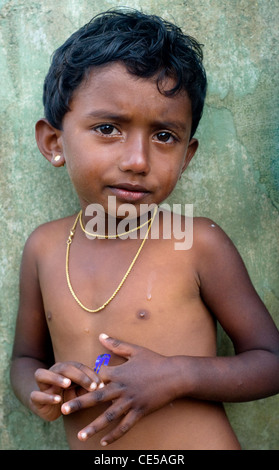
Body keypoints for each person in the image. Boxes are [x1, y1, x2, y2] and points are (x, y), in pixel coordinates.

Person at [10, 9, 279, 450]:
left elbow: (271, 361)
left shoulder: (198, 243)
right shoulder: (43, 247)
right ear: (54, 143)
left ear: (187, 155)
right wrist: (39, 389)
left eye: (164, 136)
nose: (138, 160)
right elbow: (25, 358)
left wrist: (178, 374)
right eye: (108, 128)